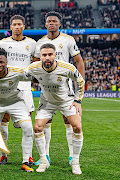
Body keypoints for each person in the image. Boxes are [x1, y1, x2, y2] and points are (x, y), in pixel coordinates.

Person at [34, 11, 85, 166]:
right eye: (49, 21)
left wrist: (79, 85)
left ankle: (72, 156)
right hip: (48, 88)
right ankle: (45, 156)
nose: (51, 23)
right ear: (45, 24)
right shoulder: (40, 43)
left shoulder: (68, 40)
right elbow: (35, 64)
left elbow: (79, 61)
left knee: (69, 121)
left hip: (66, 87)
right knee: (45, 122)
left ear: (59, 24)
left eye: (54, 21)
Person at [25, 43, 84, 175]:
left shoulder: (66, 67)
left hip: (67, 101)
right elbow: (22, 77)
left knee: (77, 127)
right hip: (47, 102)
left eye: (50, 54)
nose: (47, 57)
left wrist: (77, 100)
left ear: (55, 55)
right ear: (40, 56)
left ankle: (75, 162)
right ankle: (43, 160)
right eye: (44, 55)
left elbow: (80, 81)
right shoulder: (33, 68)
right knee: (37, 127)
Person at [0, 48, 34, 172]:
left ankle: (26, 161)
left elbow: (34, 77)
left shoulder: (18, 72)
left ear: (6, 61)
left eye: (1, 62)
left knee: (28, 127)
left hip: (16, 101)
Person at [0, 14, 36, 165]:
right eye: (15, 24)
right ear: (11, 27)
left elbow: (36, 63)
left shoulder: (32, 44)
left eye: (20, 24)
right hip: (7, 87)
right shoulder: (3, 43)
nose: (17, 27)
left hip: (25, 87)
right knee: (4, 120)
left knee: (27, 123)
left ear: (24, 26)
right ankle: (3, 154)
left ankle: (28, 156)